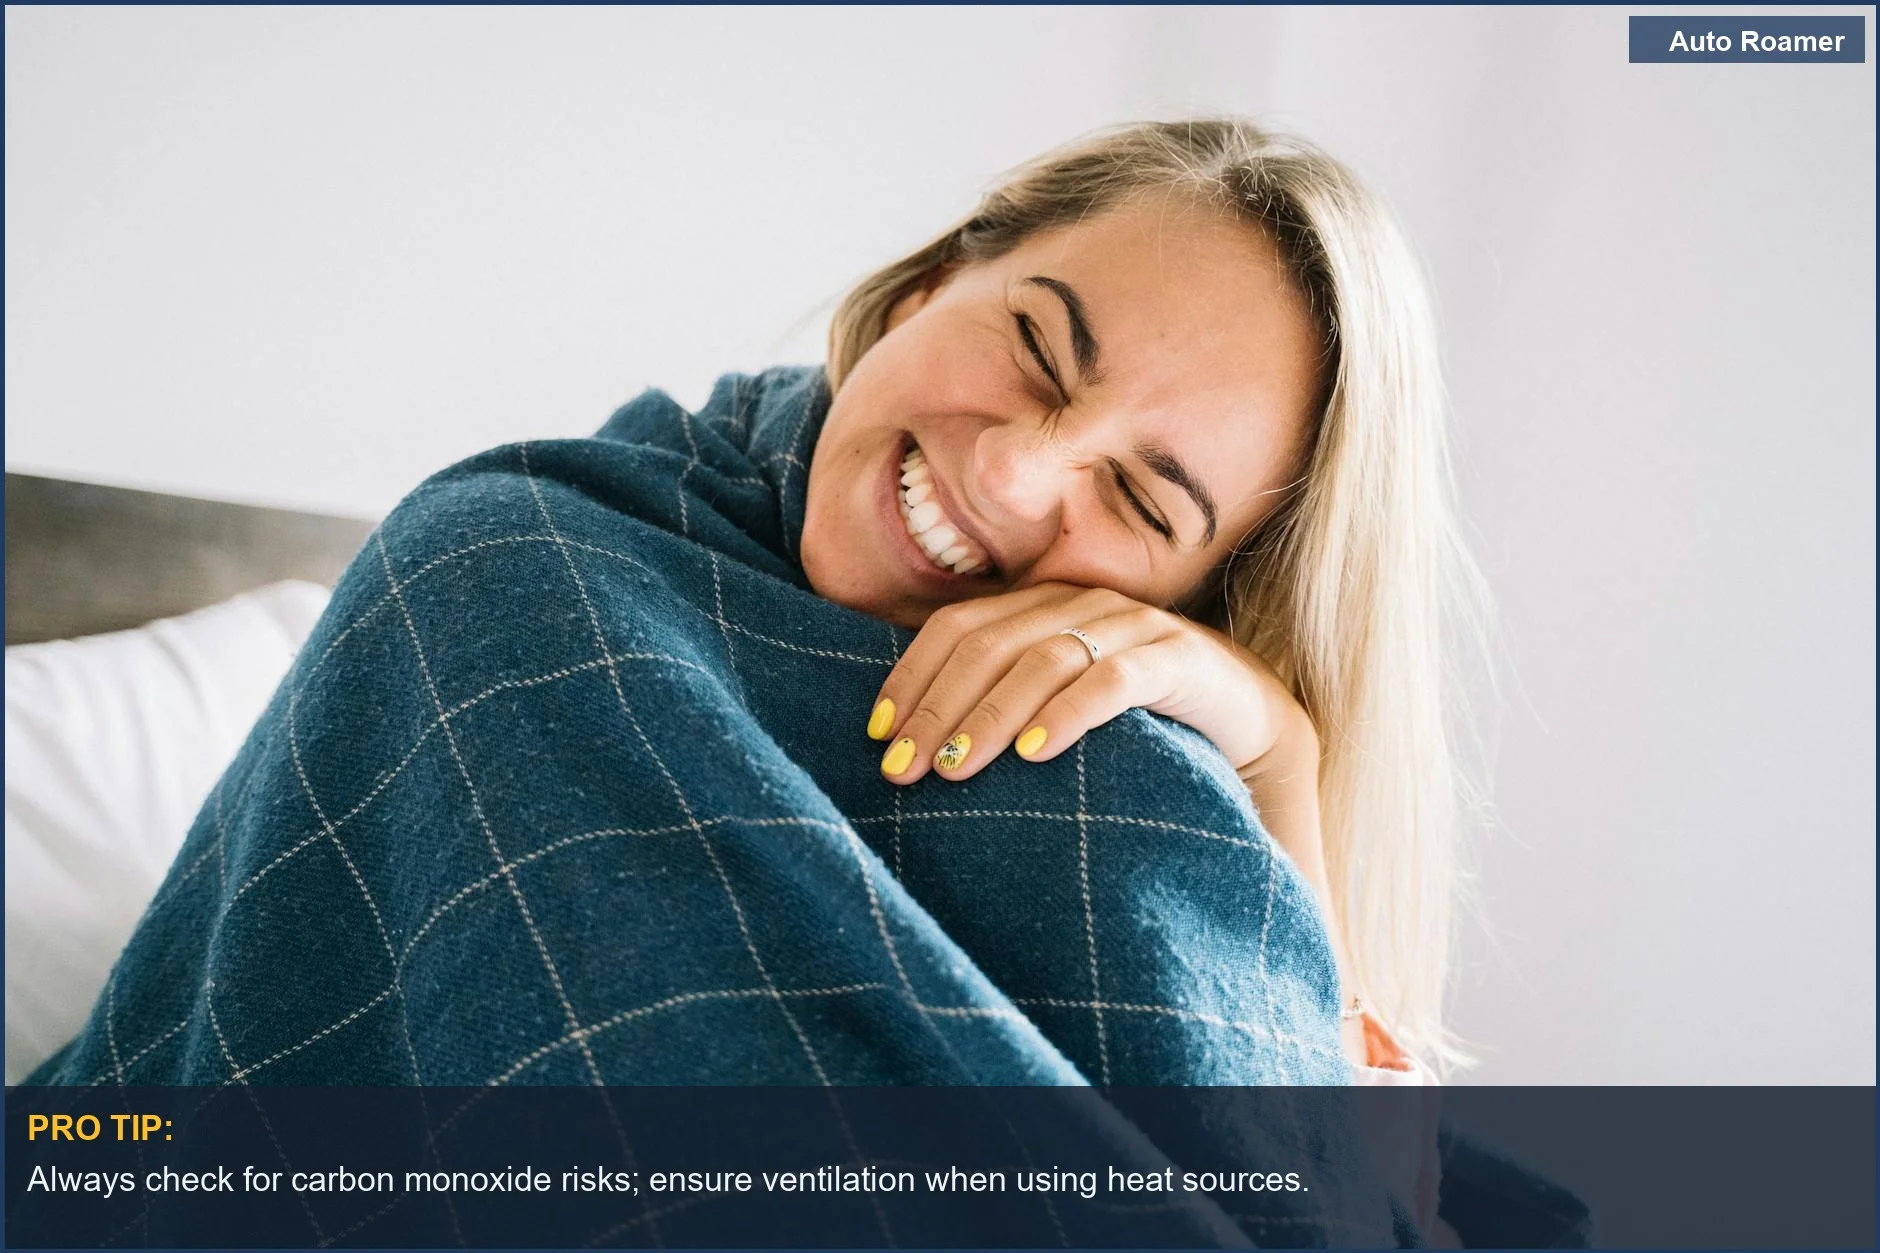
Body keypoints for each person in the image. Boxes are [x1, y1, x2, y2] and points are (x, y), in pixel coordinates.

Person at [799, 118, 1485, 1083]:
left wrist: (1278, 756)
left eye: (1139, 501)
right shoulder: (544, 550)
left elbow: (1333, 1196)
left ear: (1196, 601)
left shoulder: (1138, 800)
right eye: (1036, 347)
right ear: (934, 282)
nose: (1011, 475)